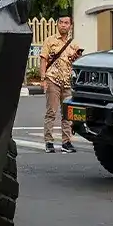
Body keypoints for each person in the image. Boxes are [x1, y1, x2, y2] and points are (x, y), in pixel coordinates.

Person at [40, 16, 82, 153]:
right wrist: (42, 79)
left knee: (67, 113)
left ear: (70, 26)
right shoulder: (50, 41)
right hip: (53, 79)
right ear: (57, 24)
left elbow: (77, 62)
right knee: (51, 112)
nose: (63, 25)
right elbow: (43, 60)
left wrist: (76, 57)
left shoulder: (74, 44)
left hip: (67, 81)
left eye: (66, 23)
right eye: (61, 22)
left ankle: (66, 141)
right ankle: (49, 141)